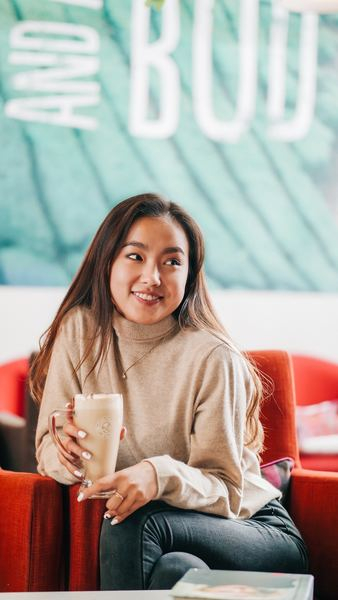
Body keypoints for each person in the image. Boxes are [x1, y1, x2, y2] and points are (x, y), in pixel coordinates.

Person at [31, 193, 308, 591]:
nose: (152, 277)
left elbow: (229, 491)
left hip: (252, 530)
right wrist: (69, 454)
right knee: (175, 570)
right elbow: (47, 454)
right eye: (135, 256)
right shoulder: (80, 333)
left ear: (190, 275)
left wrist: (157, 474)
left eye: (172, 262)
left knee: (131, 521)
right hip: (164, 539)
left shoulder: (212, 355)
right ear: (106, 261)